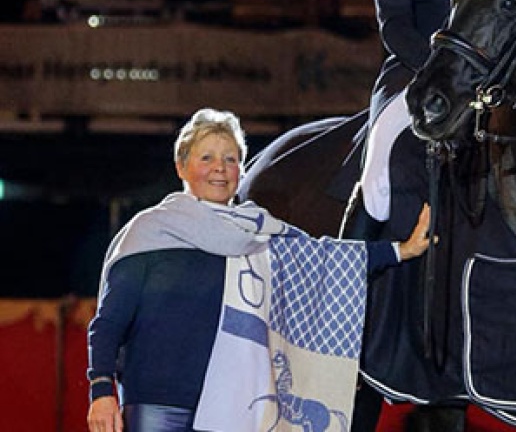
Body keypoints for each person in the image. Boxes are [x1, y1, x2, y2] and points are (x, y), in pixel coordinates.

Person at [86, 108, 433, 432]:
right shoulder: (148, 233)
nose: (220, 168)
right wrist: (101, 390)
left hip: (236, 406)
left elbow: (326, 259)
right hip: (158, 405)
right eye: (206, 158)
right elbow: (109, 322)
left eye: (231, 159)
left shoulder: (261, 235)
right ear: (181, 166)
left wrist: (401, 250)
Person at [351, 0, 482, 234]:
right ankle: (363, 258)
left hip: (493, 76)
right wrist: (439, 68)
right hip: (419, 71)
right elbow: (394, 22)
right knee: (380, 155)